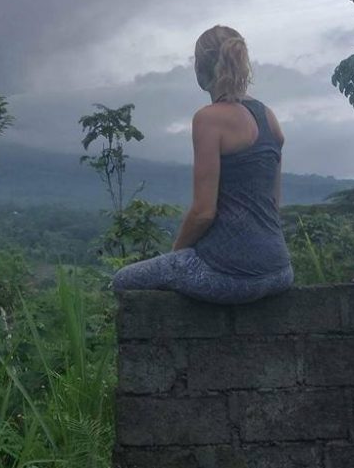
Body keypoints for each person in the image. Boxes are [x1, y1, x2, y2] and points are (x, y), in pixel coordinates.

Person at [112, 25, 293, 304]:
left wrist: (176, 256)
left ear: (201, 70)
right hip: (280, 270)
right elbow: (273, 203)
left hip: (233, 276)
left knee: (124, 280)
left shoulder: (208, 119)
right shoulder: (269, 118)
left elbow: (203, 212)